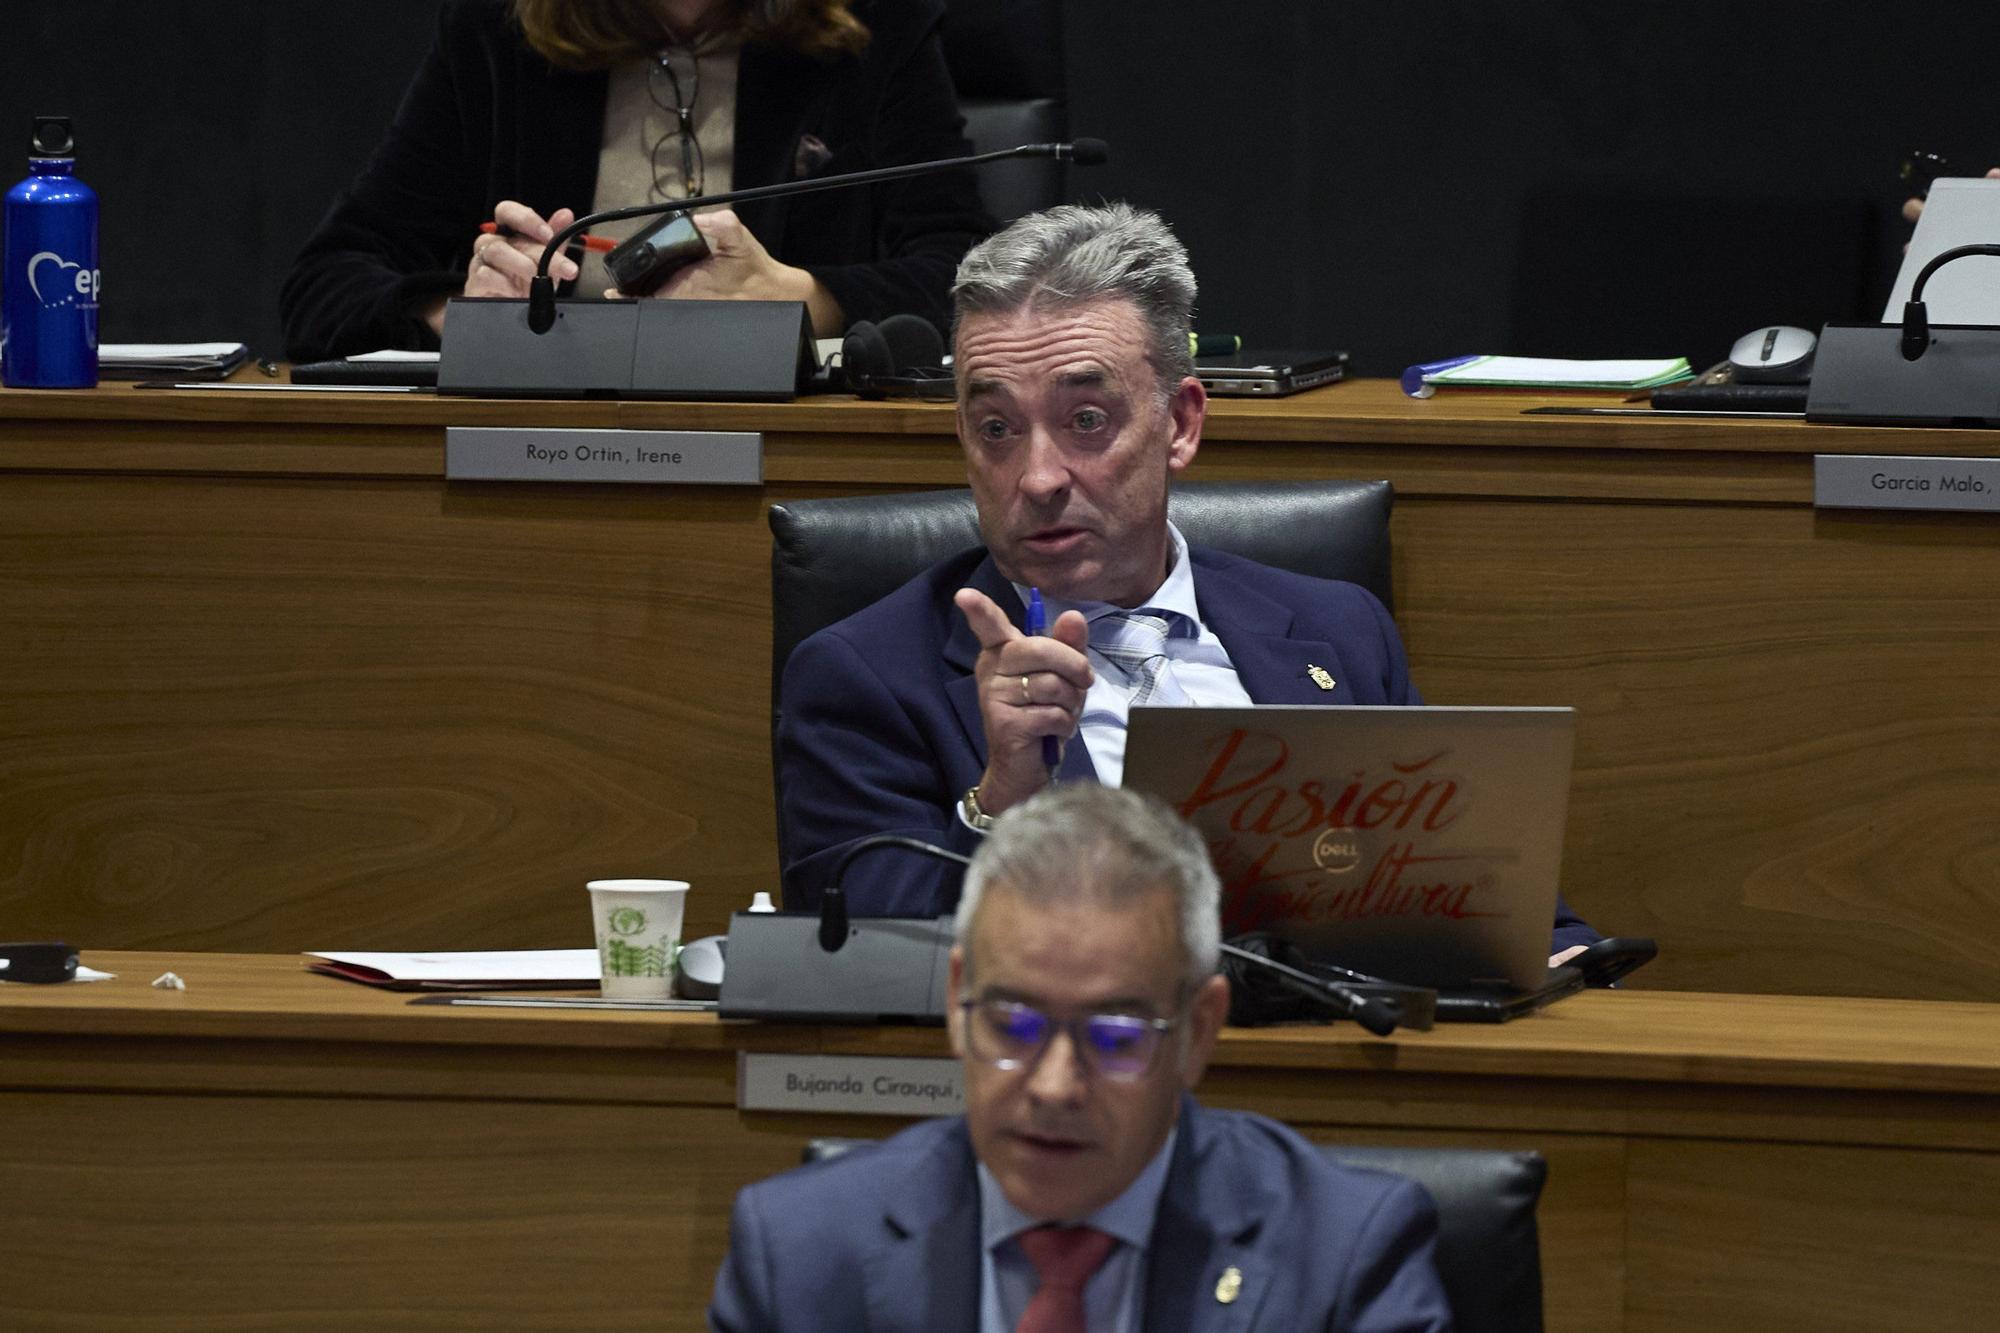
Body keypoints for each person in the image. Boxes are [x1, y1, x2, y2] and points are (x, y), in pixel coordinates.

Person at [775, 201, 1600, 961]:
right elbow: (862, 962)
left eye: (1086, 420)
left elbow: (1489, 909)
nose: (1036, 477)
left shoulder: (1337, 631)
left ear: (1180, 425)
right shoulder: (866, 676)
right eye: (996, 428)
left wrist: (1549, 960)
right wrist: (1002, 798)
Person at [709, 783, 1455, 1332]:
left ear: (1198, 1032)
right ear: (957, 999)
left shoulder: (1343, 1258)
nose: (1055, 1086)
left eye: (1116, 1037)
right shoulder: (800, 1253)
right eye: (1014, 1025)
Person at [279, 0, 990, 362]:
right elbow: (323, 287)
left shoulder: (873, 25)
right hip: (536, 461)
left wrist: (801, 299)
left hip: (794, 466)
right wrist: (465, 311)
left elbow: (973, 280)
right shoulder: (499, 34)